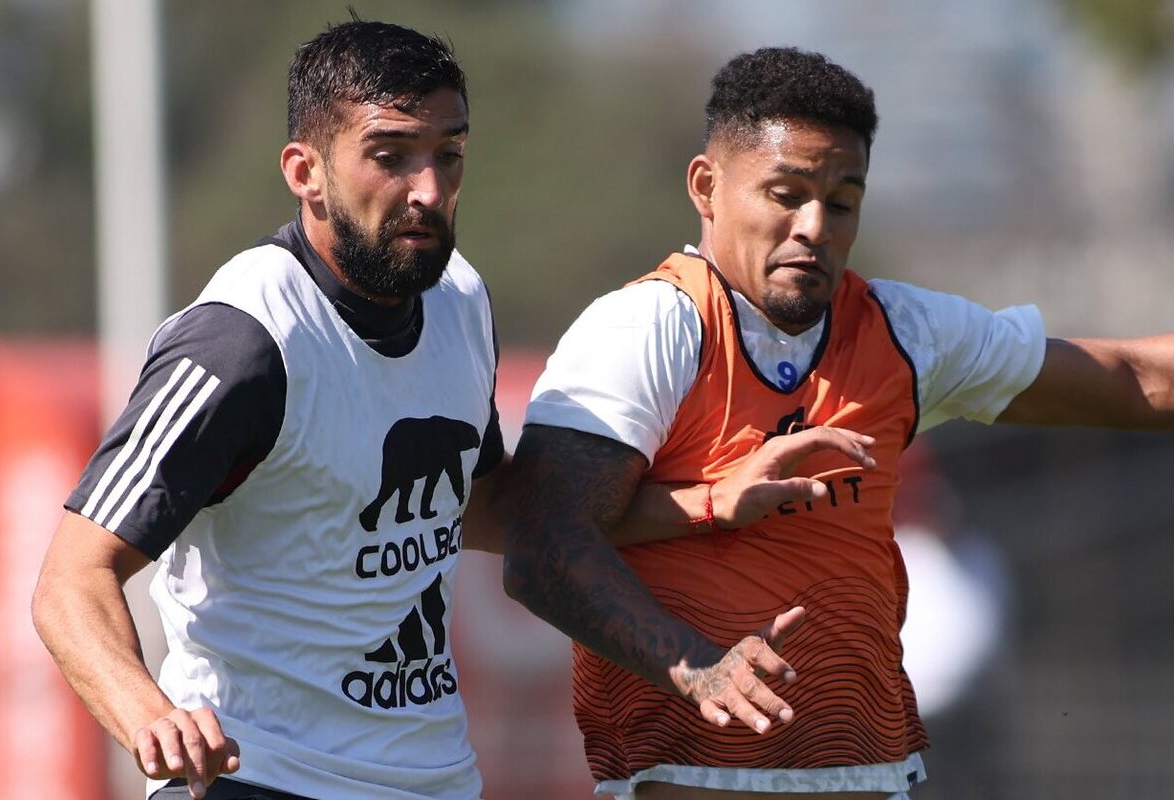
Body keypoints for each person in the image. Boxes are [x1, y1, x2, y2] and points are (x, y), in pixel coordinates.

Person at [30, 19, 879, 800]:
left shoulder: (459, 297)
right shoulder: (244, 346)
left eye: (450, 154)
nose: (429, 190)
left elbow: (478, 508)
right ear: (306, 173)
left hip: (432, 776)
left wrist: (703, 504)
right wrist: (148, 715)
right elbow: (74, 578)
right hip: (263, 774)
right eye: (391, 155)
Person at [501, 45, 1174, 800]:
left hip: (868, 775)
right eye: (786, 193)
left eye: (843, 201)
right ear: (707, 186)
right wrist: (698, 666)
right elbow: (541, 545)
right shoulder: (649, 327)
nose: (814, 226)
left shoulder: (903, 334)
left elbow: (1133, 378)